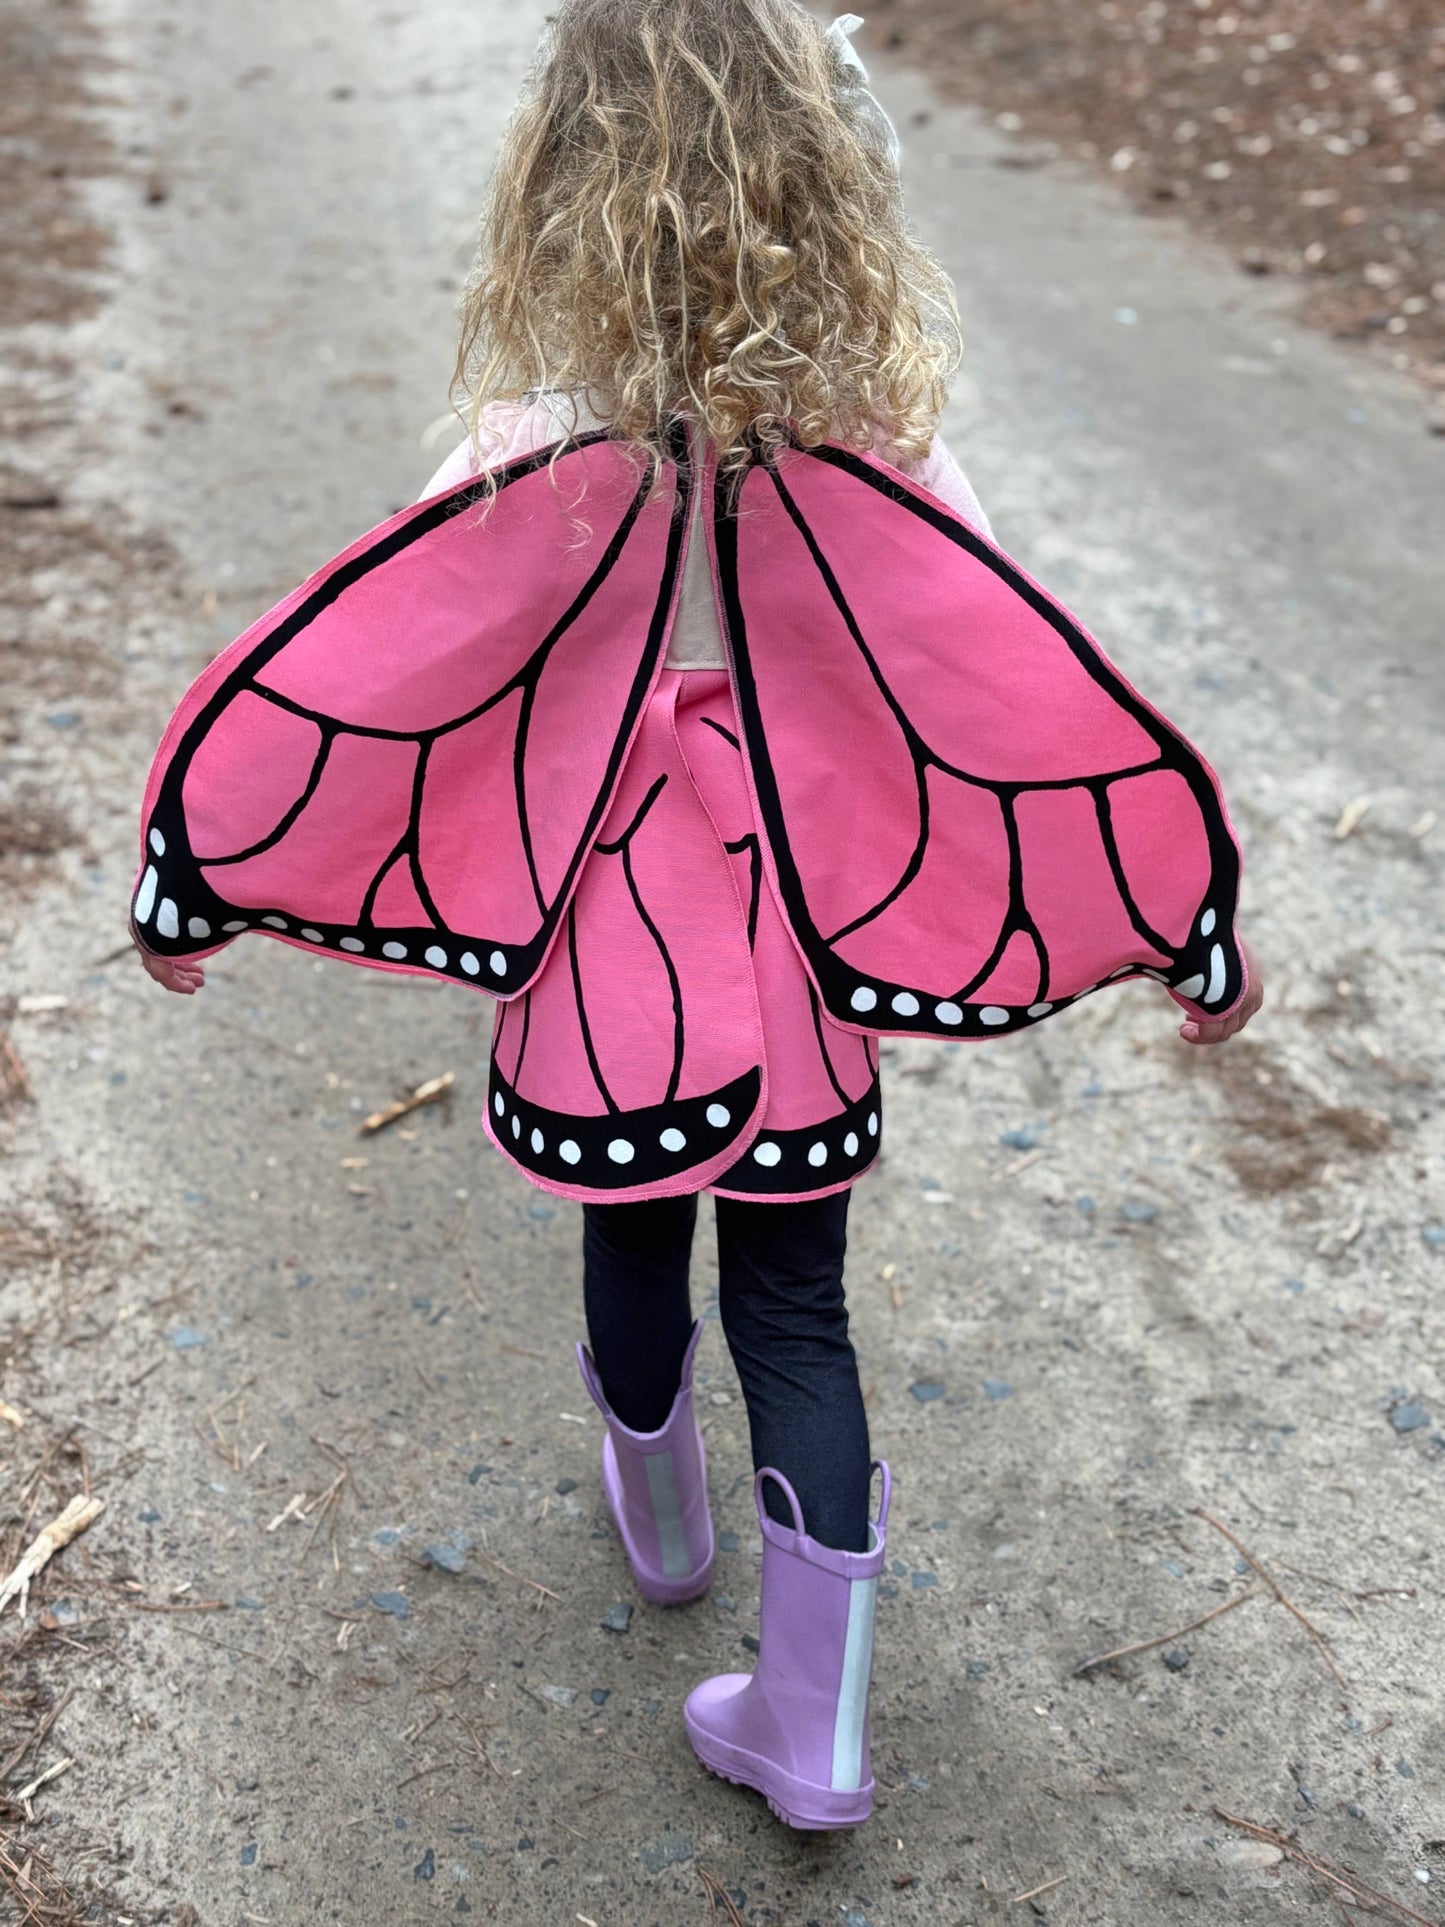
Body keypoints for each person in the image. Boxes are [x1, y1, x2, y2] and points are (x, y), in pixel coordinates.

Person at [130, 0, 1263, 1832]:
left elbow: (386, 672)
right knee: (799, 1307)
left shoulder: (533, 438)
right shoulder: (875, 447)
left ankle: (660, 1531)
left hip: (602, 955)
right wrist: (1170, 908)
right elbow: (1013, 692)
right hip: (798, 939)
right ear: (833, 191)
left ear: (563, 190)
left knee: (631, 1225)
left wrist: (212, 852)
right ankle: (807, 1732)